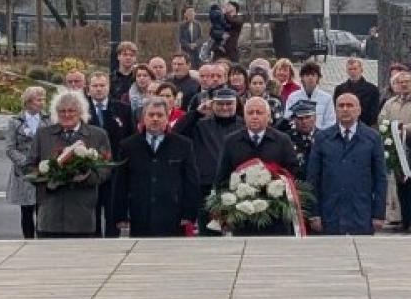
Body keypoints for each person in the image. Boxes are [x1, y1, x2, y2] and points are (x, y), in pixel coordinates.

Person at [112, 97, 199, 238]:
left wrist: (189, 214)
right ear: (143, 118)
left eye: (160, 115)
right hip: (140, 214)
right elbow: (120, 183)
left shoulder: (183, 145)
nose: (155, 119)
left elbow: (191, 181)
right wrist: (120, 215)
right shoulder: (128, 146)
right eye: (151, 115)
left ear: (167, 118)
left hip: (173, 215)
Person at [31, 90, 111, 238]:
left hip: (82, 215)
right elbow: (30, 166)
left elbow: (105, 169)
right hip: (50, 215)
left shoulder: (98, 135)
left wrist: (83, 176)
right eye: (62, 111)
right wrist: (46, 177)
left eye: (71, 111)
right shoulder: (43, 134)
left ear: (80, 111)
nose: (66, 115)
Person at [213, 97, 299, 236]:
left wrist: (274, 188)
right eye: (250, 112)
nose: (254, 116)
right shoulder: (231, 141)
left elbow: (293, 173)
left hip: (275, 216)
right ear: (244, 116)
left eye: (259, 112)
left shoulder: (282, 140)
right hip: (242, 215)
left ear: (269, 116)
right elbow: (222, 177)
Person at [306, 92, 388, 236]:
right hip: (330, 213)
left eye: (350, 105)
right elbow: (313, 178)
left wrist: (379, 214)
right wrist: (314, 213)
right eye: (341, 106)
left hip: (362, 213)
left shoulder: (372, 138)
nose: (345, 109)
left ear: (359, 110)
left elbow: (380, 178)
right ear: (335, 110)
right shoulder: (322, 138)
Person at [179, 86, 245, 228]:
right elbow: (177, 134)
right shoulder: (200, 125)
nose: (225, 107)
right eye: (220, 104)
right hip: (206, 188)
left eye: (229, 104)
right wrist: (195, 113)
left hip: (240, 188)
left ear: (236, 104)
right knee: (208, 235)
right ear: (212, 104)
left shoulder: (244, 125)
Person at [87, 72, 132, 237]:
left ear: (108, 87)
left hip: (115, 170)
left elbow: (130, 137)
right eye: (95, 86)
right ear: (88, 88)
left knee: (113, 212)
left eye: (102, 85)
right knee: (93, 214)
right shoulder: (82, 109)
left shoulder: (123, 109)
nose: (99, 89)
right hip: (90, 170)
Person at [380, 70, 411, 231]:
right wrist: (389, 129)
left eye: (407, 81)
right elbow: (382, 119)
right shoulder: (390, 102)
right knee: (400, 186)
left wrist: (402, 128)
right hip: (395, 149)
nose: (404, 84)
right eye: (400, 82)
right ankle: (404, 220)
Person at [4, 86, 46, 239]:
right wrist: (25, 162)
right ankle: (28, 239)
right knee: (27, 210)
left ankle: (43, 238)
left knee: (42, 209)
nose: (41, 103)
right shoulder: (15, 122)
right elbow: (9, 148)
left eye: (43, 99)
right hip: (23, 172)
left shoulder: (48, 120)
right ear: (28, 102)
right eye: (38, 100)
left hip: (43, 170)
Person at [285, 61, 336, 130]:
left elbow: (330, 122)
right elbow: (288, 118)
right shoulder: (293, 97)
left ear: (318, 77)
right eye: (307, 75)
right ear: (302, 77)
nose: (310, 78)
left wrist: (320, 134)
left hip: (320, 137)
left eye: (313, 75)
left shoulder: (327, 98)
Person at [332, 57, 381, 127]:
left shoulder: (372, 89)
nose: (352, 71)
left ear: (361, 70)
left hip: (365, 126)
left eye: (355, 69)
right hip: (345, 125)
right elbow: (336, 109)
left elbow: (374, 112)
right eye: (350, 69)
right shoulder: (339, 89)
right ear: (347, 71)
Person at [287, 100, 319, 177]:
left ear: (315, 118)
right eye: (300, 118)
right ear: (294, 120)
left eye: (307, 117)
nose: (304, 121)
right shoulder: (287, 138)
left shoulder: (324, 137)